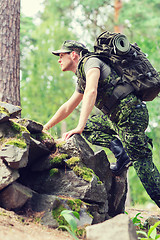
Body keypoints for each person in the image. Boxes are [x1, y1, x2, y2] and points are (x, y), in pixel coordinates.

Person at [43, 40, 160, 208]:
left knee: (144, 167)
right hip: (117, 118)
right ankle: (122, 153)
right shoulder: (82, 76)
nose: (59, 60)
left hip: (131, 114)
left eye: (62, 55)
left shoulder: (91, 62)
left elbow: (92, 91)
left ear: (74, 54)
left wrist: (79, 126)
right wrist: (45, 128)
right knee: (92, 126)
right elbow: (68, 107)